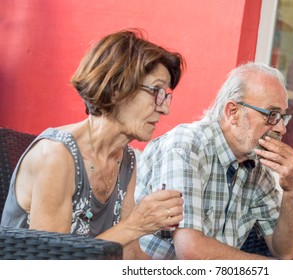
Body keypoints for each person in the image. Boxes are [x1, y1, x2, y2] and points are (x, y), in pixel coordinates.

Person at [1, 29, 185, 259]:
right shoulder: (56, 156)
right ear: (118, 88)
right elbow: (50, 267)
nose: (165, 108)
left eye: (166, 95)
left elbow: (130, 254)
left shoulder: (124, 158)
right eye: (156, 91)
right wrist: (137, 224)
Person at [135, 62, 293, 260]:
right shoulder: (185, 147)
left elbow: (285, 251)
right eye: (271, 115)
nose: (281, 129)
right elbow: (191, 251)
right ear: (233, 112)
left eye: (283, 117)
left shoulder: (257, 168)